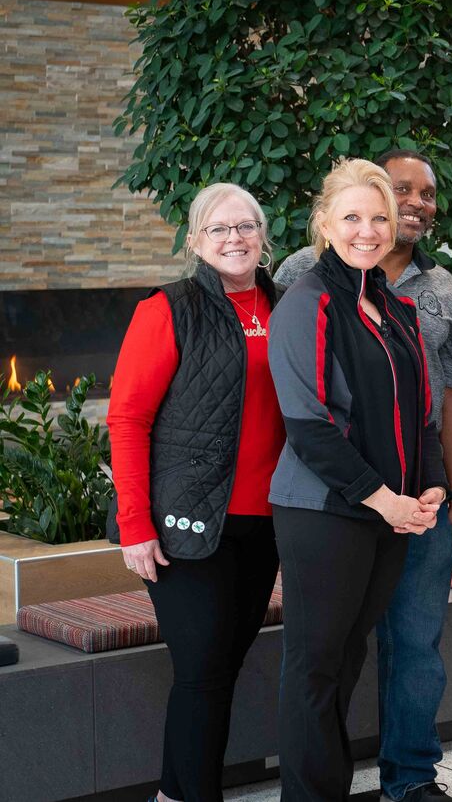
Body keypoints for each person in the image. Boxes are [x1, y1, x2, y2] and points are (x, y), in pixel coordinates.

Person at [272, 150, 452, 802]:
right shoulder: (308, 301)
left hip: (390, 516)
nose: (368, 230)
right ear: (325, 223)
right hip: (324, 513)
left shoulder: (397, 308)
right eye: (352, 217)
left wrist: (433, 482)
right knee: (316, 669)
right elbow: (308, 426)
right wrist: (387, 499)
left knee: (347, 660)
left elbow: (423, 412)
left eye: (378, 217)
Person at [107, 183, 285, 802]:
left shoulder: (285, 304)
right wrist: (135, 524)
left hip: (265, 523)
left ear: (263, 235)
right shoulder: (168, 308)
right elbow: (127, 419)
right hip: (186, 522)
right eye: (218, 228)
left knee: (217, 671)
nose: (234, 238)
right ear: (195, 241)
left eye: (246, 226)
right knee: (203, 671)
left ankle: (172, 794)